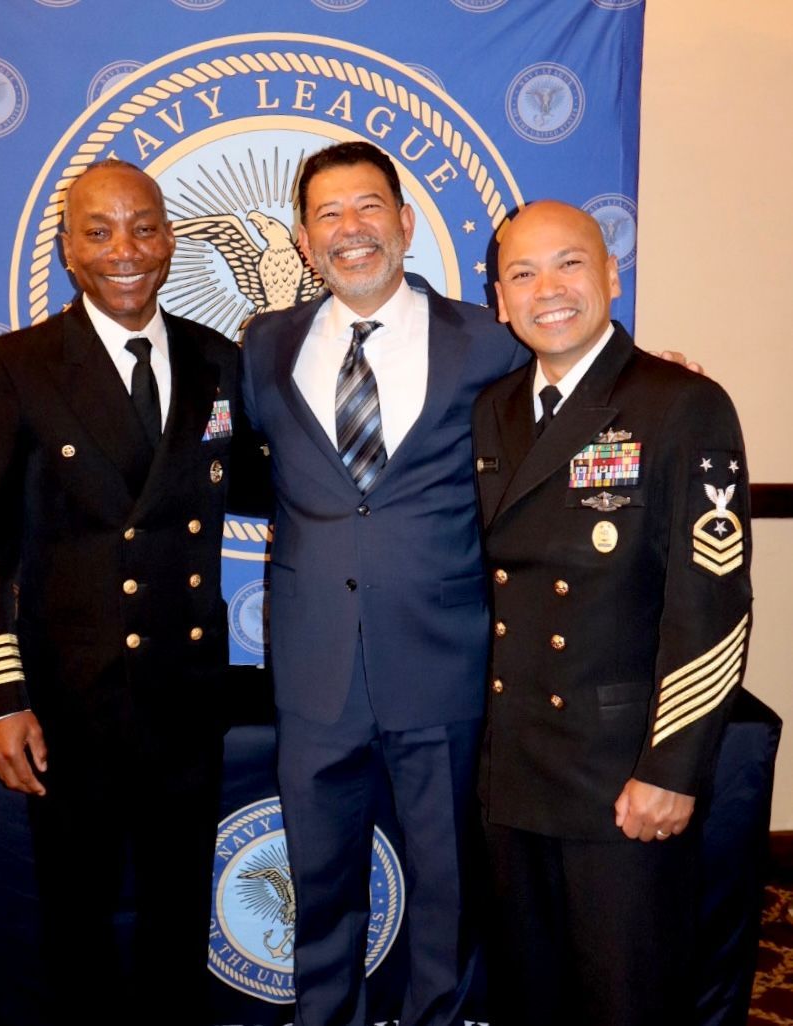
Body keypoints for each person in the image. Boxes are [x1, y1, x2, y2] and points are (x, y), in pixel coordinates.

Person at [0, 159, 260, 1025]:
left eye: (145, 227)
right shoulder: (14, 368)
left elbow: (293, 479)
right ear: (68, 250)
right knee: (77, 928)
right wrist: (1, 701)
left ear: (169, 239)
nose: (126, 250)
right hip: (71, 705)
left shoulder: (217, 358)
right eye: (100, 231)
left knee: (176, 927)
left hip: (188, 701)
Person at [241, 141, 529, 1026]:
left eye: (369, 207)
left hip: (441, 660)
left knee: (448, 889)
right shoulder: (264, 346)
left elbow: (578, 386)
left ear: (406, 223)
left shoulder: (490, 343)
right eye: (328, 214)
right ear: (300, 240)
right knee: (319, 886)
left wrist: (658, 373)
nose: (351, 230)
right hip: (315, 664)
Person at [471, 200, 752, 1025]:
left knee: (626, 1001)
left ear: (611, 276)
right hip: (516, 769)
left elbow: (713, 605)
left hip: (620, 777)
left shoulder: (681, 402)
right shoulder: (496, 409)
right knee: (532, 997)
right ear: (499, 300)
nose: (547, 288)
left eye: (569, 264)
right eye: (522, 273)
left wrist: (671, 769)